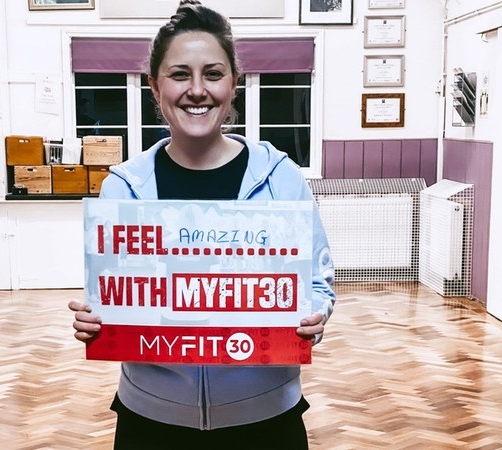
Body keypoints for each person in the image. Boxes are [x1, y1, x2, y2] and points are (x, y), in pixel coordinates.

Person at [68, 1, 336, 448]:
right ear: (155, 87)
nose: (197, 90)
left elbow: (317, 283)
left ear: (234, 83)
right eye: (179, 75)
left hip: (267, 415)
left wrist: (314, 314)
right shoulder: (123, 188)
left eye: (212, 74)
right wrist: (96, 319)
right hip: (151, 418)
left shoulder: (281, 177)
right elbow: (115, 292)